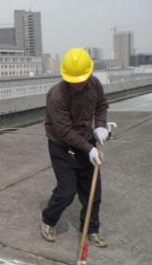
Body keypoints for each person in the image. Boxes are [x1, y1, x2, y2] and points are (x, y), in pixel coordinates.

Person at [40, 48, 109, 247]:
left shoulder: (94, 84)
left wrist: (101, 126)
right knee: (66, 191)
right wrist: (90, 149)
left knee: (93, 191)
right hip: (61, 146)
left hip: (87, 141)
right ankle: (48, 220)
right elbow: (64, 131)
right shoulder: (57, 96)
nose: (78, 84)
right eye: (74, 80)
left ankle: (91, 229)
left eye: (82, 79)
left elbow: (101, 105)